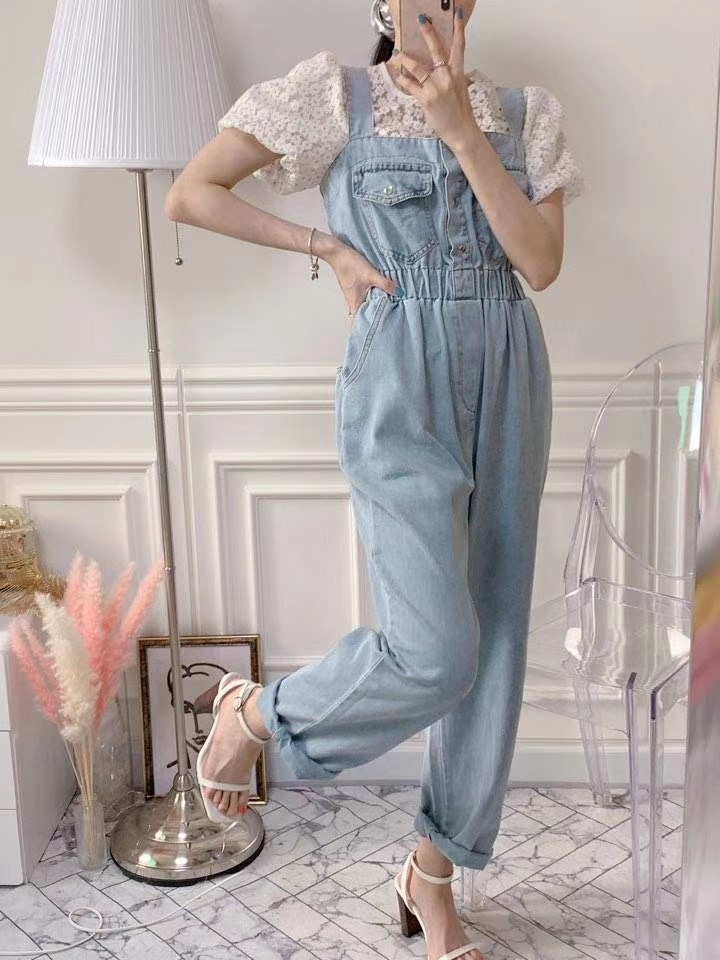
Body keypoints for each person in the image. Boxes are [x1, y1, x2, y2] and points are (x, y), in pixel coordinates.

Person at [166, 3, 584, 958]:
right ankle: (254, 713)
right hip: (397, 378)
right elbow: (192, 194)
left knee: (496, 639)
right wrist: (326, 248)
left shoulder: (526, 114)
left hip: (510, 369)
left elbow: (541, 263)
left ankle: (433, 875)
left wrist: (462, 130)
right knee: (435, 650)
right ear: (383, 5)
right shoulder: (332, 97)